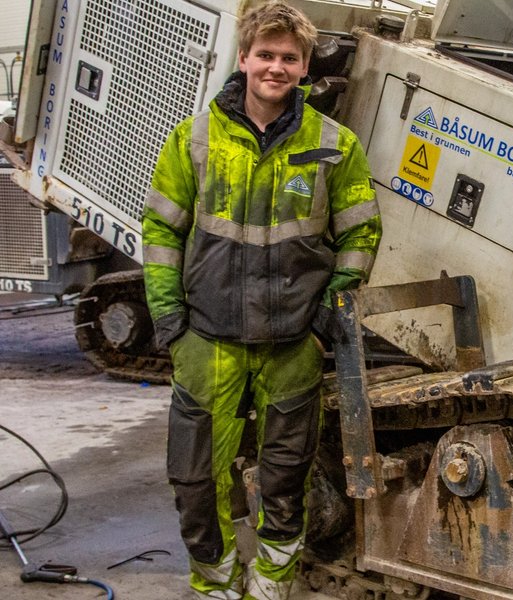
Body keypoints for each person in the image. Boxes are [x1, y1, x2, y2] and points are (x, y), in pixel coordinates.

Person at [141, 2, 381, 597]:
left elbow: (361, 235)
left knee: (285, 479)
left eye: (289, 58)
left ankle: (273, 582)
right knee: (195, 480)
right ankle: (217, 584)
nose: (276, 66)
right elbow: (161, 231)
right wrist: (171, 319)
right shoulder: (193, 138)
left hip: (294, 346)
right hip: (207, 341)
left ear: (305, 68)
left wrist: (326, 319)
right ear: (243, 58)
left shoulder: (334, 144)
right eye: (266, 54)